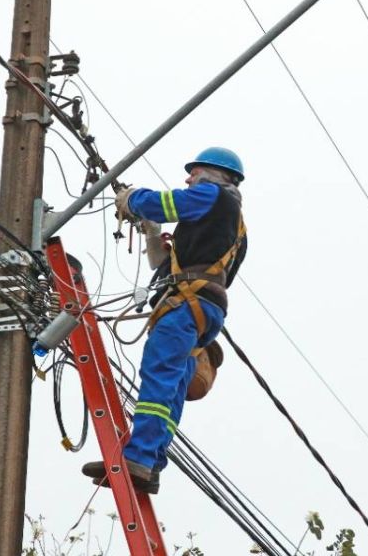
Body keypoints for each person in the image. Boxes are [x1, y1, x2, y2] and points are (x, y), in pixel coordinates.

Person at [82, 147, 247, 493]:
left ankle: (140, 457)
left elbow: (164, 204)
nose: (188, 179)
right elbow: (175, 266)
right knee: (172, 386)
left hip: (186, 307)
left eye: (194, 173)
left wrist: (132, 199)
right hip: (205, 310)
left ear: (215, 174)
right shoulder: (234, 226)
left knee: (159, 377)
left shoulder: (212, 195)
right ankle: (151, 462)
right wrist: (152, 234)